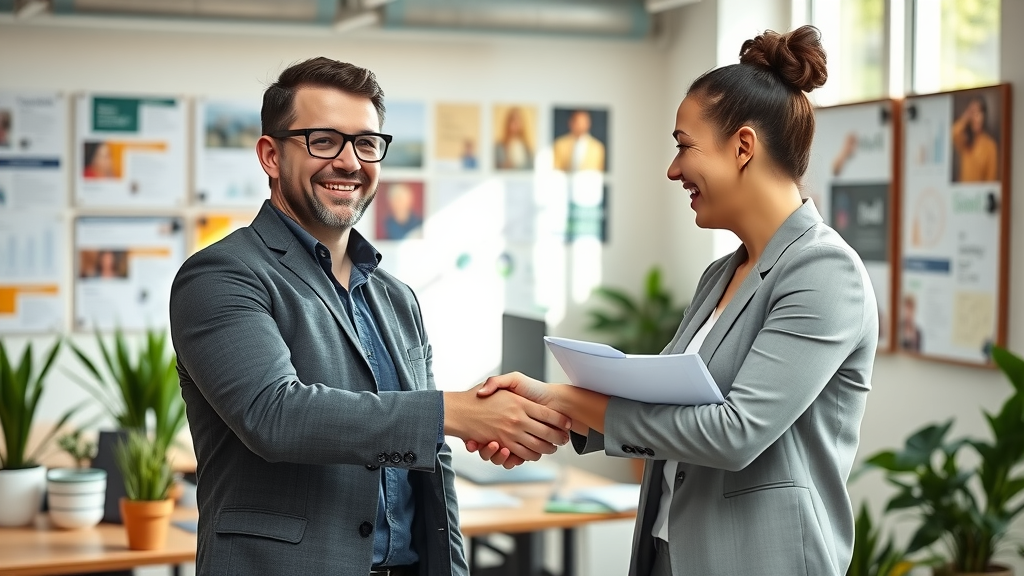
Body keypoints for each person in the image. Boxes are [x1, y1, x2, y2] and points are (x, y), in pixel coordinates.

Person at [468, 26, 877, 576]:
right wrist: (544, 407)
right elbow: (669, 404)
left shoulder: (824, 272)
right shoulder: (722, 274)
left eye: (685, 145)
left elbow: (733, 434)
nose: (673, 168)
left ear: (743, 147)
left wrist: (565, 398)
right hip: (671, 553)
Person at [169, 57, 571, 576]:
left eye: (365, 143)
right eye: (323, 141)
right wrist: (454, 412)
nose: (349, 162)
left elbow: (434, 465)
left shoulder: (396, 297)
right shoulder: (222, 275)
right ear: (270, 155)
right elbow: (275, 416)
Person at [952, 95, 998, 182]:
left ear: (984, 115)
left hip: (978, 194)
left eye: (979, 113)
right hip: (962, 193)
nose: (976, 117)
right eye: (973, 113)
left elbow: (991, 179)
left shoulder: (990, 145)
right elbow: (953, 133)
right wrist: (966, 116)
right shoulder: (965, 140)